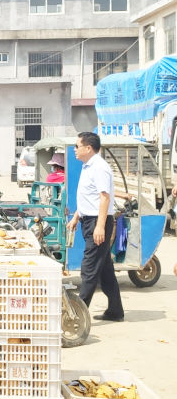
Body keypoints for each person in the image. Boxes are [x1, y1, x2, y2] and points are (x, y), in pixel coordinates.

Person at [67, 131, 123, 322]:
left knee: (89, 269)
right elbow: (88, 197)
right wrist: (76, 216)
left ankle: (76, 315)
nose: (75, 149)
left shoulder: (99, 167)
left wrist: (100, 226)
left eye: (77, 146)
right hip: (89, 220)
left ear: (88, 148)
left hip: (98, 222)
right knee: (105, 270)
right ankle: (115, 311)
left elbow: (104, 197)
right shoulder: (87, 166)